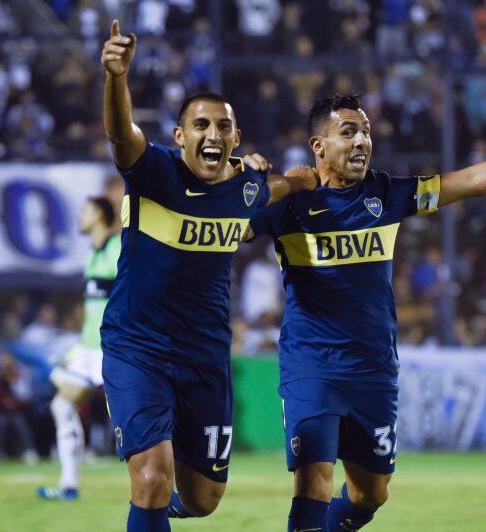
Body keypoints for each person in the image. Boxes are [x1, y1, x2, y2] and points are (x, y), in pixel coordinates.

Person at [247, 94, 486, 531]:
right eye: (348, 132)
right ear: (317, 146)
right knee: (314, 482)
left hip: (374, 371)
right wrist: (253, 181)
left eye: (365, 132)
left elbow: (471, 181)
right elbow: (229, 223)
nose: (362, 141)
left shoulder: (386, 194)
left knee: (369, 495)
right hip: (311, 365)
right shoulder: (289, 204)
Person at [98, 20, 316, 531]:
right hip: (138, 348)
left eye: (222, 126)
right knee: (153, 476)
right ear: (179, 136)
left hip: (205, 356)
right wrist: (115, 79)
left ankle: (149, 511)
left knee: (203, 500)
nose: (212, 134)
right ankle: (147, 502)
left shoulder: (245, 190)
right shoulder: (155, 172)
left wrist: (307, 177)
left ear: (236, 138)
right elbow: (119, 133)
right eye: (200, 125)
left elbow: (283, 186)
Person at [37, 197, 120, 500]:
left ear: (98, 215)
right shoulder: (93, 254)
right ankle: (69, 486)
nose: (80, 216)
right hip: (89, 349)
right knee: (61, 405)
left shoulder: (116, 249)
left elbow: (132, 295)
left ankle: (165, 482)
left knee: (130, 418)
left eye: (84, 211)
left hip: (113, 349)